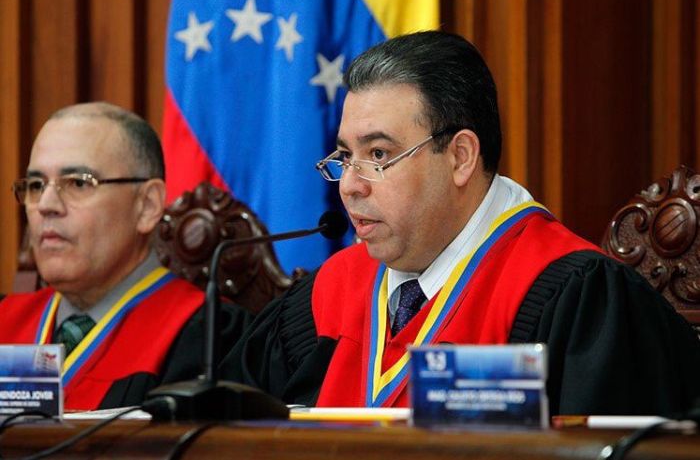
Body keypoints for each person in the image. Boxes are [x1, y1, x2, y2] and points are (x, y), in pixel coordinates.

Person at [221, 31, 700, 416]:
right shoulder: (330, 294)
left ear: (460, 157)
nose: (349, 185)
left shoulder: (571, 295)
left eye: (378, 155)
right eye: (346, 157)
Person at [1, 102, 250, 410]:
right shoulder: (5, 320)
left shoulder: (207, 336)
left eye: (78, 182)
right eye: (36, 185)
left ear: (147, 206)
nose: (46, 205)